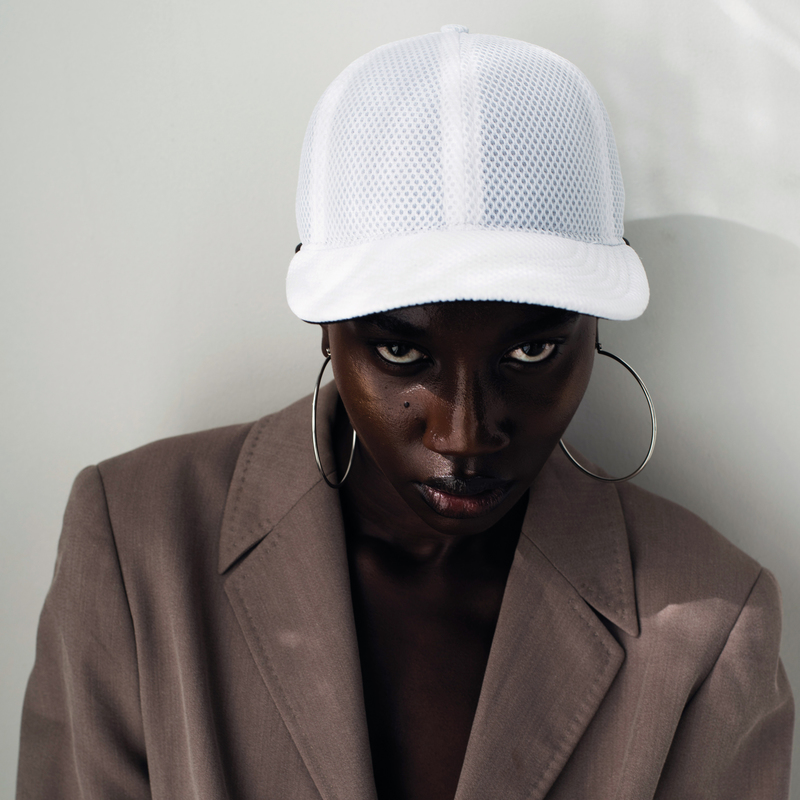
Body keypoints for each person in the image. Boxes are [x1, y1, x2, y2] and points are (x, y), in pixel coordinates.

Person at [17, 25, 793, 800]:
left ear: (594, 330)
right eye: (401, 352)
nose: (465, 435)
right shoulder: (136, 547)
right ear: (327, 326)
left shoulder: (713, 627)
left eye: (531, 352)